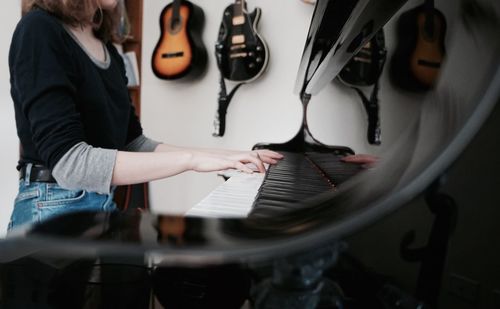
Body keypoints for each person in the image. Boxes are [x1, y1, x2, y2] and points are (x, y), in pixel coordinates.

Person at [8, 0, 284, 231]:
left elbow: (133, 143)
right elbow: (70, 165)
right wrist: (192, 161)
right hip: (50, 210)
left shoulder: (110, 50)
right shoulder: (39, 30)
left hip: (102, 205)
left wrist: (223, 157)